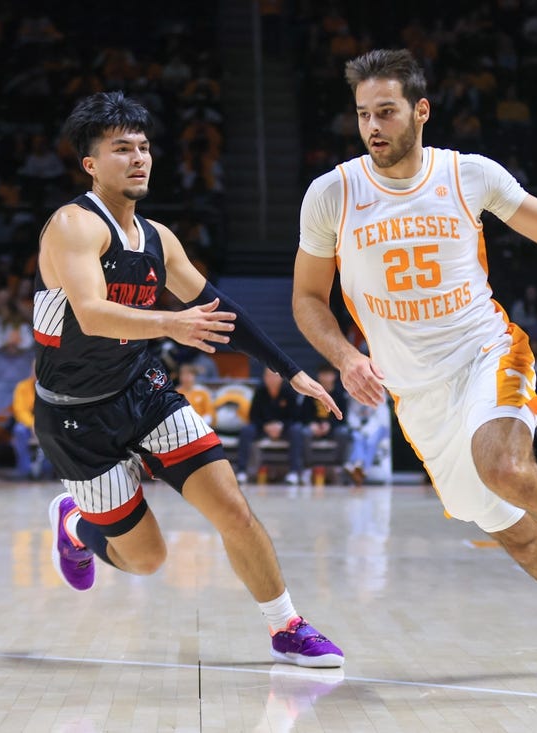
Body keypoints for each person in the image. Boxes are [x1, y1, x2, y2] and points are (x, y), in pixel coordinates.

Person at [291, 49, 537, 676]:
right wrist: (343, 355)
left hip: (484, 351)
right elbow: (308, 299)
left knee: (503, 465)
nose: (373, 127)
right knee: (516, 534)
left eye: (386, 112)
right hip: (416, 395)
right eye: (363, 114)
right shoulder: (332, 194)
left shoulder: (469, 175)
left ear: (421, 111)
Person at [33, 91, 342, 668]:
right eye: (122, 149)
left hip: (141, 391)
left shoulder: (158, 239)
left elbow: (219, 308)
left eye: (144, 147)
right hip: (74, 415)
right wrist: (172, 322)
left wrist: (291, 369)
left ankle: (287, 627)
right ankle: (75, 523)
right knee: (147, 560)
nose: (139, 158)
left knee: (232, 508)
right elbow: (92, 312)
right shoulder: (72, 227)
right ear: (91, 164)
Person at [234, 367, 306, 485]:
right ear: (264, 378)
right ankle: (242, 471)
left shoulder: (289, 392)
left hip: (284, 429)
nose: (271, 379)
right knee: (246, 431)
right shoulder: (260, 392)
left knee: (297, 431)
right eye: (268, 376)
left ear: (281, 378)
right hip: (263, 428)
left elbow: (295, 417)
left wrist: (281, 425)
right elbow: (253, 416)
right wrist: (265, 426)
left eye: (274, 376)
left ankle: (294, 472)